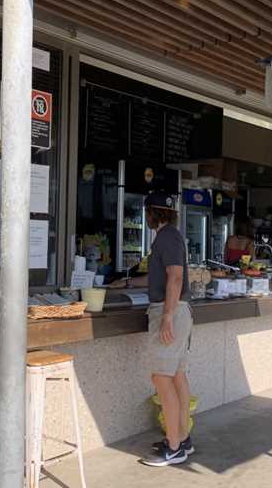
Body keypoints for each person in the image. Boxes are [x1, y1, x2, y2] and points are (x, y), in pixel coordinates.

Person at [109, 191, 194, 466]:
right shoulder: (170, 236)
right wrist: (125, 283)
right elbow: (160, 276)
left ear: (151, 213)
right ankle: (181, 437)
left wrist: (167, 316)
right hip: (179, 310)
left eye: (145, 213)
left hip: (171, 312)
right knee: (176, 376)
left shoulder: (167, 237)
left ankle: (173, 447)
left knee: (161, 378)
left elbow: (176, 276)